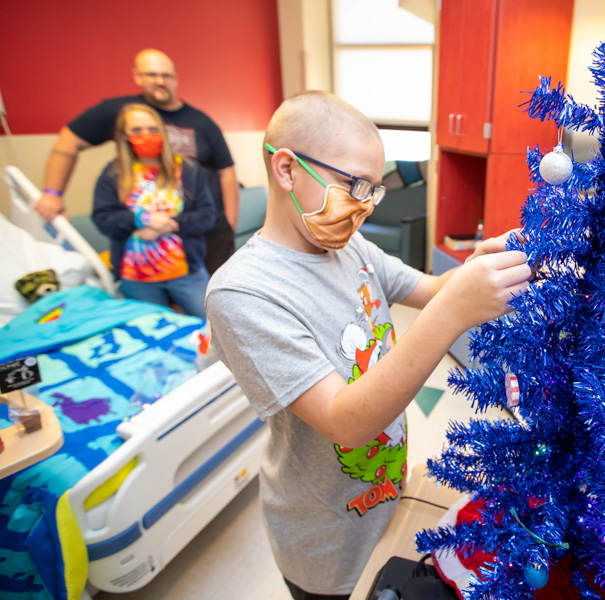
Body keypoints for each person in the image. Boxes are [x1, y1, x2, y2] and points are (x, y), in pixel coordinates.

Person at [205, 90, 533, 600]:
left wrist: (484, 264)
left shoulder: (346, 244)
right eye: (352, 184)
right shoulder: (242, 293)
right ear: (287, 170)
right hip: (325, 533)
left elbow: (425, 289)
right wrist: (453, 313)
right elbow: (347, 422)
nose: (362, 205)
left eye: (373, 190)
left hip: (386, 491)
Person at [35, 48, 238, 274]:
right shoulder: (120, 112)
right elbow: (67, 143)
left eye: (166, 75)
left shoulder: (201, 121)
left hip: (202, 228)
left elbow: (226, 170)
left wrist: (230, 222)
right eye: (151, 75)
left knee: (211, 292)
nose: (160, 81)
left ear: (175, 78)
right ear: (137, 76)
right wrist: (52, 194)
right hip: (144, 237)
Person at [92, 103, 215, 318]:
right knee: (154, 334)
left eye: (152, 129)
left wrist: (169, 224)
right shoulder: (114, 173)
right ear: (124, 136)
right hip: (136, 277)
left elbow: (207, 216)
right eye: (137, 131)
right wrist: (142, 219)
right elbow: (103, 218)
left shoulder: (187, 169)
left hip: (187, 272)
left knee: (214, 321)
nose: (146, 135)